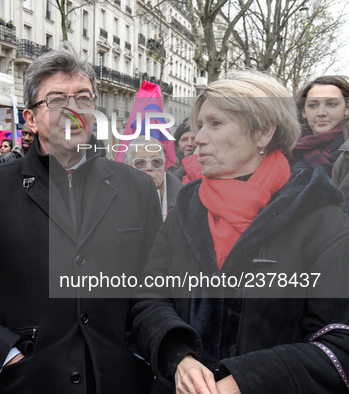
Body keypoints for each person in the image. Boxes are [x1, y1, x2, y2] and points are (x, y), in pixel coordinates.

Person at [0, 42, 162, 394]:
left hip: (120, 379)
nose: (73, 110)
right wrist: (7, 354)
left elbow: (155, 284)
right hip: (32, 381)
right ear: (30, 118)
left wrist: (138, 353)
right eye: (57, 100)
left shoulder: (137, 188)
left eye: (84, 98)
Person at [132, 71, 349, 393]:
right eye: (200, 124)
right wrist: (178, 356)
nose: (199, 137)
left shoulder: (320, 220)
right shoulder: (185, 212)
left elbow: (339, 342)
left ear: (263, 132)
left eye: (215, 123)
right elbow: (149, 299)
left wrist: (246, 380)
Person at [291, 75, 349, 177]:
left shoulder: (345, 153)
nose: (321, 113)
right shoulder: (288, 149)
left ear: (347, 109)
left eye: (331, 104)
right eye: (313, 105)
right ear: (303, 111)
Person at [125, 136, 182, 220]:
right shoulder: (117, 202)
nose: (149, 167)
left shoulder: (182, 201)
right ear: (128, 168)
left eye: (156, 162)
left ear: (164, 167)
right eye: (140, 162)